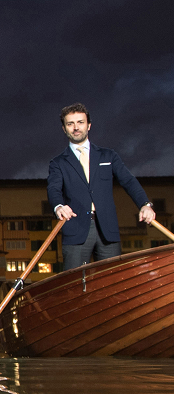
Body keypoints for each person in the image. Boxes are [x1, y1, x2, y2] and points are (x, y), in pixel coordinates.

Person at [47, 103, 155, 271]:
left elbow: (128, 181)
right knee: (74, 282)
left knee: (111, 280)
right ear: (64, 128)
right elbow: (53, 189)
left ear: (89, 125)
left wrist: (145, 204)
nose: (76, 128)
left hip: (108, 229)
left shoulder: (108, 156)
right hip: (75, 229)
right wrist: (59, 206)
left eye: (80, 122)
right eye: (70, 124)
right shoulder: (58, 163)